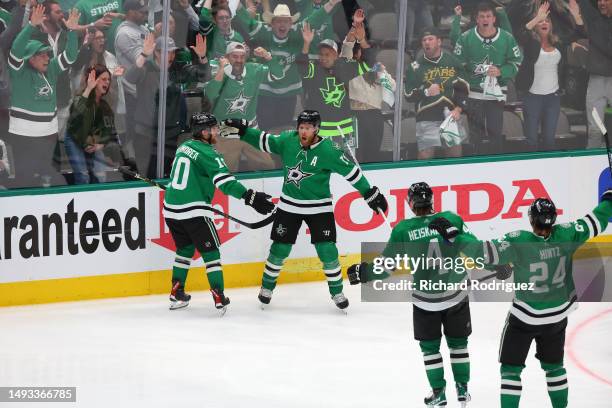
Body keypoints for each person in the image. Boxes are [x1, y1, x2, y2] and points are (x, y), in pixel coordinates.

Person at [431, 193, 612, 408]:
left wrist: (456, 236)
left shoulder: (518, 241)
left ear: (531, 219)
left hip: (525, 317)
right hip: (557, 315)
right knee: (554, 368)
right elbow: (595, 221)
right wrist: (609, 199)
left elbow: (483, 253)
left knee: (510, 369)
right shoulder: (568, 233)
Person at [220, 110, 388, 310]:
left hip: (320, 208)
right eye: (301, 127)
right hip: (289, 206)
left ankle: (337, 292)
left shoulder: (329, 150)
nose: (303, 131)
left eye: (308, 128)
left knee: (327, 250)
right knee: (279, 248)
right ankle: (266, 288)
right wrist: (245, 131)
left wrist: (368, 192)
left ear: (317, 128)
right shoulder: (288, 141)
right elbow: (266, 141)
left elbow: (352, 173)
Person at [347, 182, 480, 407]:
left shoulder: (402, 229)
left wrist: (364, 272)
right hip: (456, 294)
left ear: (410, 203)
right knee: (458, 344)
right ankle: (462, 390)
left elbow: (387, 267)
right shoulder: (452, 218)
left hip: (426, 301)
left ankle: (439, 393)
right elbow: (476, 248)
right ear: (432, 200)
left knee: (430, 348)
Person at [163, 112, 275, 311]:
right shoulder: (209, 153)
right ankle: (218, 295)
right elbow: (225, 183)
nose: (217, 132)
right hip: (194, 211)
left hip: (171, 211)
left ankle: (176, 293)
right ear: (204, 132)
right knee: (211, 252)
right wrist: (250, 197)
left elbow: (181, 178)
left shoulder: (183, 147)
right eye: (213, 129)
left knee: (185, 250)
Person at [235, 0, 343, 129]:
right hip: (266, 92)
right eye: (279, 21)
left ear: (291, 23)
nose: (282, 24)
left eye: (286, 21)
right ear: (272, 23)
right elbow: (246, 19)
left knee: (284, 130)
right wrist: (234, 2)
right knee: (265, 131)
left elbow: (316, 18)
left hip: (289, 94)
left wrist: (331, 2)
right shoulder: (263, 31)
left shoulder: (297, 31)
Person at [6, 5, 80, 188]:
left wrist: (70, 31)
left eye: (48, 54)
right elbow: (16, 49)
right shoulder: (18, 71)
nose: (47, 58)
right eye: (42, 55)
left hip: (48, 135)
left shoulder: (52, 69)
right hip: (24, 136)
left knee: (48, 179)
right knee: (25, 179)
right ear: (30, 57)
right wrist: (31, 26)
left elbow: (70, 56)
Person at [124, 34, 210, 178]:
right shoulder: (146, 67)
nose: (170, 56)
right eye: (166, 52)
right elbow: (130, 77)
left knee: (169, 173)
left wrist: (202, 58)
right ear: (156, 53)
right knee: (147, 174)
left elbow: (204, 76)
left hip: (170, 133)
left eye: (172, 52)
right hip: (147, 133)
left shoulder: (178, 68)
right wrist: (144, 54)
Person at [453, 2, 522, 155]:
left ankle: (495, 168)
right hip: (474, 94)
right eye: (482, 16)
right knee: (475, 136)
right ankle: (475, 169)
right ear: (476, 19)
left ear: (494, 19)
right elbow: (458, 65)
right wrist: (472, 70)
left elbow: (516, 62)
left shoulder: (506, 38)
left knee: (495, 133)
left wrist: (501, 71)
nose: (485, 19)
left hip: (496, 94)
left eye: (488, 16)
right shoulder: (465, 38)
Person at [298, 9, 372, 149]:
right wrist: (306, 43)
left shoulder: (346, 67)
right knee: (321, 164)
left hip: (344, 128)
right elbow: (301, 66)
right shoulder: (314, 69)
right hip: (320, 128)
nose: (323, 58)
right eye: (321, 54)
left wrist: (362, 40)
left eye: (328, 54)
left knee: (345, 164)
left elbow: (368, 63)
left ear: (336, 55)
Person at [515, 1, 583, 151]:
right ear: (536, 26)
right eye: (541, 21)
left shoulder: (558, 43)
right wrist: (536, 18)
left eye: (546, 21)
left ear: (551, 25)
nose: (544, 23)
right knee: (531, 139)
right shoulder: (530, 42)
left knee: (549, 139)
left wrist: (576, 16)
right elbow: (519, 34)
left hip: (553, 98)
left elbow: (578, 33)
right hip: (532, 96)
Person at [206, 41, 281, 171]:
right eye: (235, 56)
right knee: (225, 172)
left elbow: (278, 75)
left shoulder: (254, 69)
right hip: (225, 131)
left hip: (250, 129)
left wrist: (268, 57)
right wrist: (222, 70)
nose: (239, 60)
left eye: (242, 57)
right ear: (227, 57)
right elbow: (210, 94)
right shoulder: (217, 69)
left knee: (267, 166)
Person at [405, 27, 470, 160]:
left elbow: (463, 88)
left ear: (439, 42)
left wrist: (458, 109)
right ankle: (422, 181)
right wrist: (426, 92)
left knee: (454, 153)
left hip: (450, 115)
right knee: (425, 155)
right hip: (426, 115)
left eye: (430, 39)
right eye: (424, 40)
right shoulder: (415, 67)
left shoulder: (452, 62)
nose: (427, 42)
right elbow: (408, 95)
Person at [65, 64, 117, 184]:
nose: (107, 82)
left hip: (92, 143)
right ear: (93, 80)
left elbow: (109, 130)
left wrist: (100, 145)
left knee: (101, 176)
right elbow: (75, 116)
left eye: (109, 80)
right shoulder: (81, 98)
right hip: (75, 140)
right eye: (104, 79)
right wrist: (88, 89)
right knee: (83, 176)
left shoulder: (105, 105)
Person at [577, 0, 612, 149]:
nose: (601, 3)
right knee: (595, 129)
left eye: (606, 0)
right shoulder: (593, 17)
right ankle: (591, 164)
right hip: (596, 80)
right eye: (599, 0)